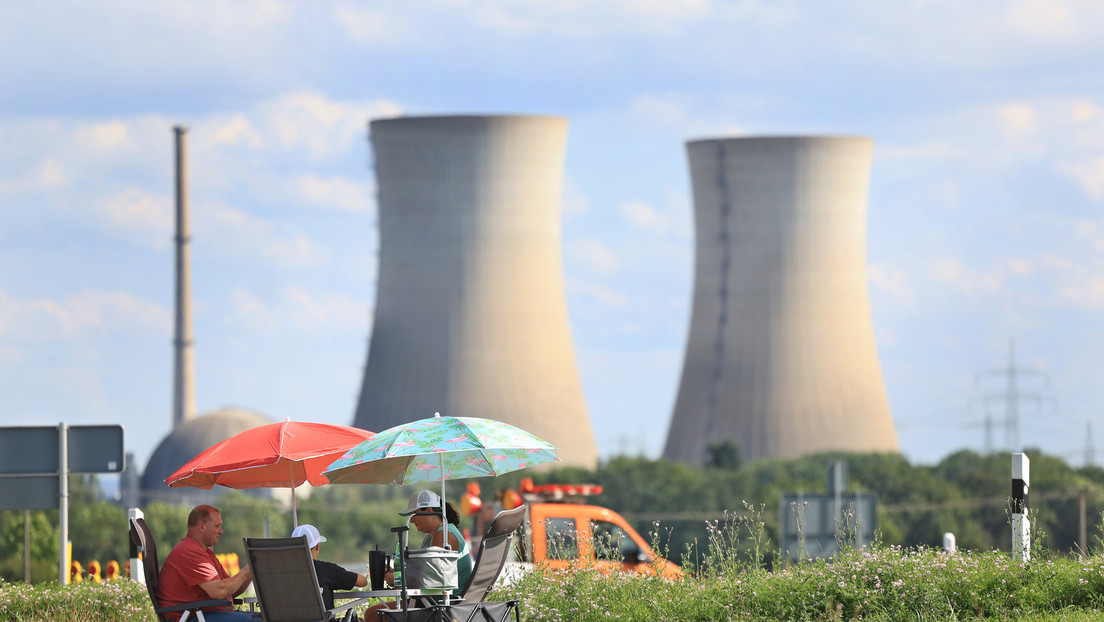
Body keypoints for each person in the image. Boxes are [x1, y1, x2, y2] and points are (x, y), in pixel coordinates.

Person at [367, 490, 473, 618]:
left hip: (441, 605)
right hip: (431, 601)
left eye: (413, 514)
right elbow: (426, 574)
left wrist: (399, 581)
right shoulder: (433, 535)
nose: (411, 521)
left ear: (428, 511)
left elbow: (433, 580)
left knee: (372, 614)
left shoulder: (444, 535)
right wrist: (396, 573)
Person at [156, 504, 255, 622]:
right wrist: (246, 571)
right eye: (217, 526)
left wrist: (252, 568)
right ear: (202, 527)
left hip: (206, 614)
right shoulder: (189, 551)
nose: (221, 531)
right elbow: (220, 591)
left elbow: (231, 590)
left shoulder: (205, 552)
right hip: (194, 617)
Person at [291, 523, 367, 611]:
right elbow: (363, 581)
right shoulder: (327, 570)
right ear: (317, 546)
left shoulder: (278, 572)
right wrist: (345, 573)